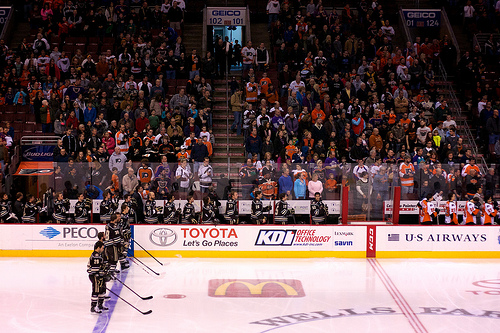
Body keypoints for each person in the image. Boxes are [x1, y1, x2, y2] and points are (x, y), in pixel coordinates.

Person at [87, 241, 107, 314]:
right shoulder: (96, 255)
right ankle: (93, 307)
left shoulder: (98, 255)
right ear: (98, 248)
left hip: (98, 275)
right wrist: (102, 272)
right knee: (96, 290)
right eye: (102, 248)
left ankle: (100, 305)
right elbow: (96, 269)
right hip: (95, 276)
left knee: (101, 290)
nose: (103, 249)